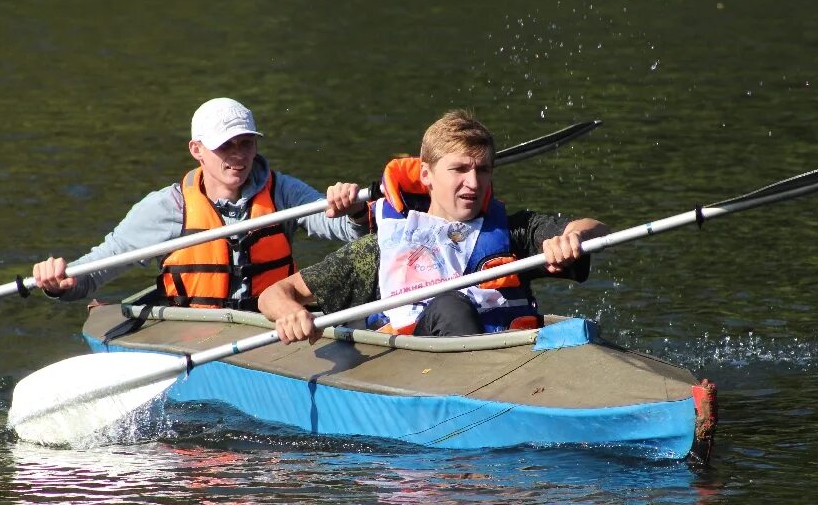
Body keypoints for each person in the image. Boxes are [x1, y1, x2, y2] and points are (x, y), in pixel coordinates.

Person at [259, 109, 609, 343]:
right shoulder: (380, 250)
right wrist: (290, 313)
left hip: (510, 366)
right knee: (450, 306)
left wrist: (574, 238)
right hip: (433, 375)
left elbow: (597, 228)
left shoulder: (514, 232)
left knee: (576, 330)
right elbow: (274, 294)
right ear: (426, 174)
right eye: (459, 169)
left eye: (483, 170)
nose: (474, 183)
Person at [33, 97, 369, 310]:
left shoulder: (284, 192)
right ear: (197, 150)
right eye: (225, 146)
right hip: (194, 329)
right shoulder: (167, 207)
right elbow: (102, 265)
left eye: (246, 144)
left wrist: (352, 210)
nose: (238, 156)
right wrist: (64, 285)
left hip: (271, 321)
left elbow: (347, 230)